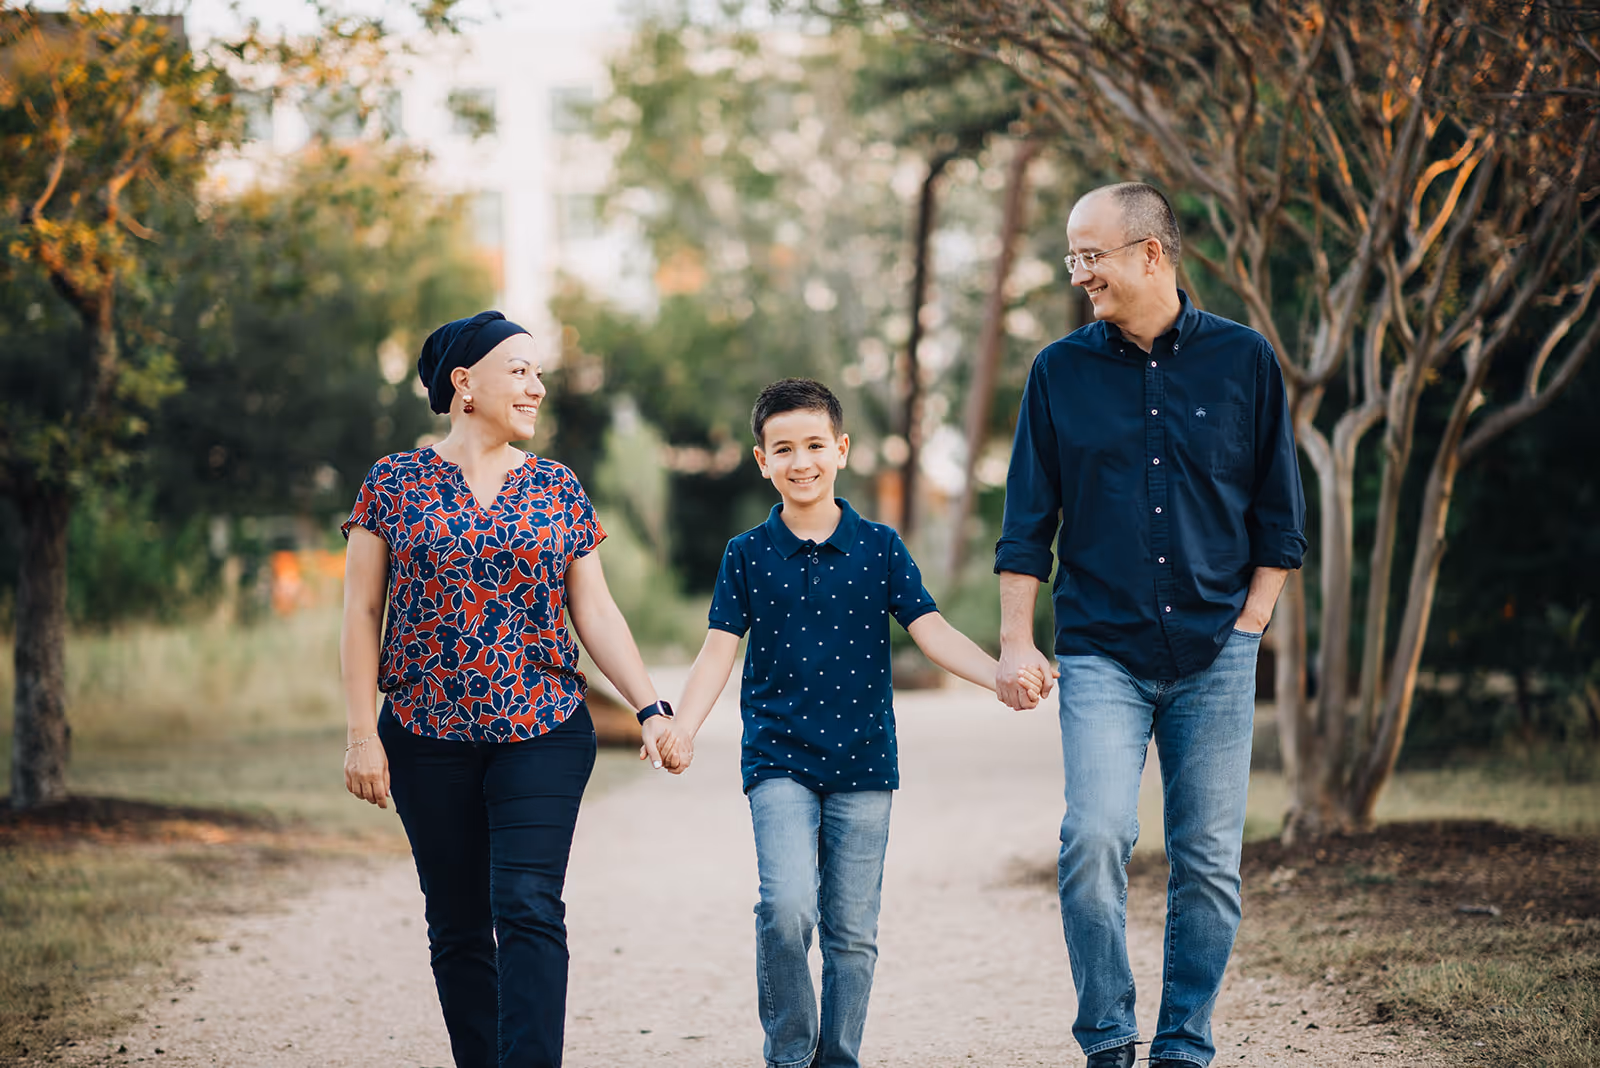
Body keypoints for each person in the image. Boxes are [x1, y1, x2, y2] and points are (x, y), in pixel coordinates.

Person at [993, 183, 1307, 1068]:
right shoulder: (1059, 371)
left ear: (1151, 254)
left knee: (1208, 862)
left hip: (1217, 650)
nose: (1078, 271)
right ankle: (1108, 1037)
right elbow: (1027, 525)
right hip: (1101, 651)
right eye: (1071, 256)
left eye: (1090, 254)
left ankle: (1182, 1043)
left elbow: (1280, 514)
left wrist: (1251, 621)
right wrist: (1017, 641)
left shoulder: (1244, 361)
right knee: (1094, 836)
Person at [658, 378, 1043, 1068]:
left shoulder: (879, 546)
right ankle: (789, 1054)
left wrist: (998, 676)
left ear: (841, 450)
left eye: (813, 445)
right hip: (778, 759)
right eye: (783, 449)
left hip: (864, 762)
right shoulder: (746, 554)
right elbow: (718, 650)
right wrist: (681, 725)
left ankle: (838, 1059)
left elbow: (931, 630)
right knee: (785, 909)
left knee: (853, 934)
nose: (800, 462)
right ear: (762, 461)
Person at [338, 310, 679, 1068]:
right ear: (465, 383)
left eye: (537, 371)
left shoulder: (556, 486)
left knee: (527, 905)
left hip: (545, 728)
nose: (537, 386)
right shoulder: (393, 483)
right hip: (425, 737)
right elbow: (362, 612)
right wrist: (363, 733)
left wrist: (651, 708)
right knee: (457, 923)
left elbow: (593, 608)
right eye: (519, 370)